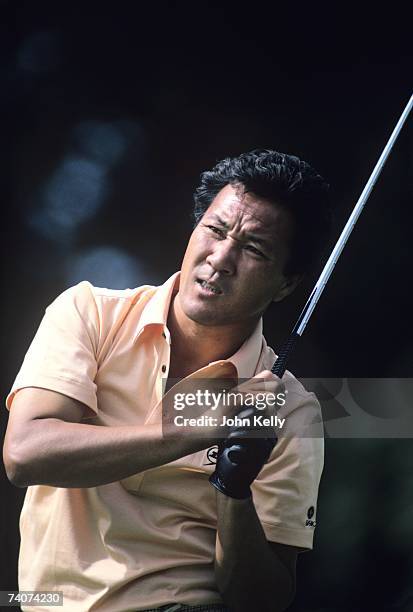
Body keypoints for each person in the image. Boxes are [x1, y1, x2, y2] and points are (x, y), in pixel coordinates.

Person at [3, 149, 331, 612]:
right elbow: (25, 455)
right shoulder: (88, 312)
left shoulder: (292, 411)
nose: (221, 258)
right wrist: (193, 433)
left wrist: (234, 494)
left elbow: (264, 600)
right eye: (215, 231)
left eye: (254, 249)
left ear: (286, 284)